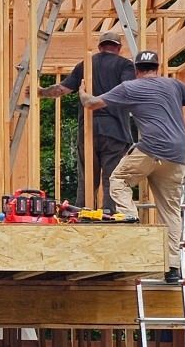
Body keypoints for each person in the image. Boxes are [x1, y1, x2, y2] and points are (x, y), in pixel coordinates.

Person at [78, 50, 185, 284]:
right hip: (178, 155)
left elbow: (92, 104)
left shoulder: (130, 87)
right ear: (157, 68)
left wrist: (81, 92)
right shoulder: (174, 85)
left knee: (118, 180)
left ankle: (131, 218)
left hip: (151, 149)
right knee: (170, 211)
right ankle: (172, 268)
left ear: (137, 70)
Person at [39, 29, 135, 211]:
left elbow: (61, 90)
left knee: (87, 179)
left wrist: (41, 92)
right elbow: (129, 90)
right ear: (119, 48)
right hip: (115, 131)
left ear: (100, 47)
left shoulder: (85, 65)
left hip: (89, 130)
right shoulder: (125, 66)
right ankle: (109, 217)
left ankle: (82, 215)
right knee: (112, 179)